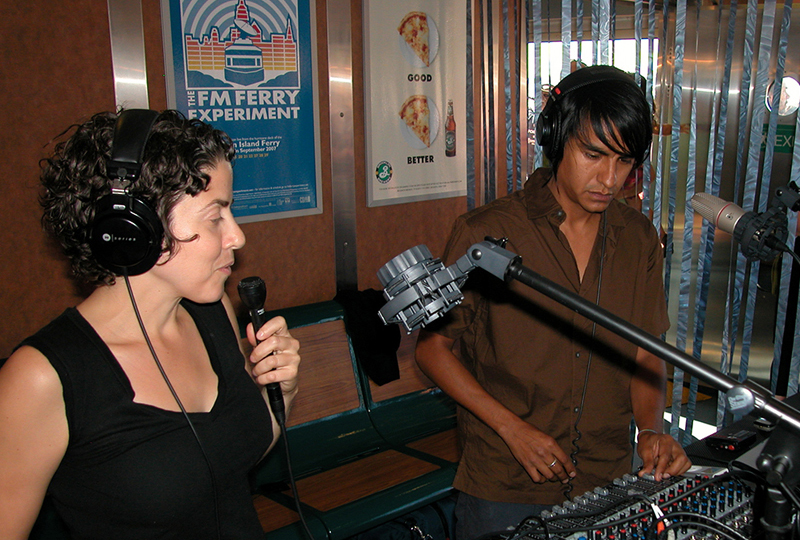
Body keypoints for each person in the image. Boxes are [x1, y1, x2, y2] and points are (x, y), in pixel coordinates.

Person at [415, 65, 691, 539]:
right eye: (593, 154)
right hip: (505, 482)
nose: (609, 178)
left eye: (623, 161)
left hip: (608, 478)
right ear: (555, 138)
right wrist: (513, 430)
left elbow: (647, 352)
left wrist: (650, 431)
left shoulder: (639, 240)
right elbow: (432, 349)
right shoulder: (485, 233)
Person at [0, 110, 300, 539]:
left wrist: (279, 393)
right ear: (134, 229)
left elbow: (229, 460)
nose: (237, 236)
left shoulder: (211, 315)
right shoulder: (42, 377)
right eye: (216, 217)